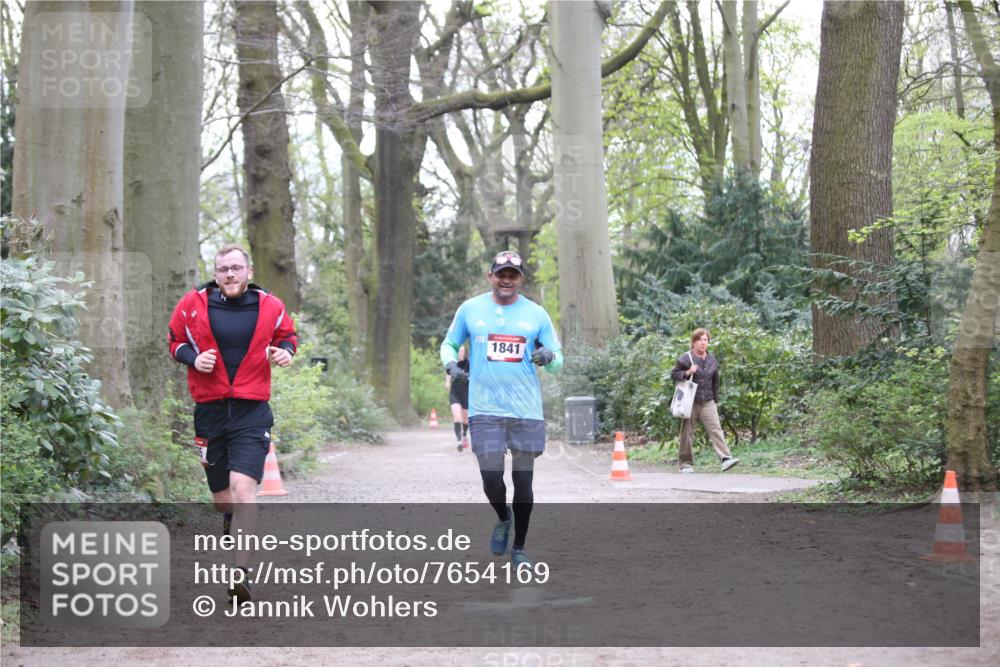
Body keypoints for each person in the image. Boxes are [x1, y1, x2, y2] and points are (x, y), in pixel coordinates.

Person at [167, 244, 297, 601]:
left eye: (236, 268)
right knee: (222, 499)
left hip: (251, 411)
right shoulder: (193, 304)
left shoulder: (270, 305)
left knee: (243, 490)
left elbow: (287, 335)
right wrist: (194, 359)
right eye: (223, 269)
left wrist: (285, 352)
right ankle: (228, 517)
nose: (230, 274)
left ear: (248, 272)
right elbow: (175, 341)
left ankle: (240, 574)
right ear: (215, 273)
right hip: (209, 411)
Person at [441, 250, 562, 568]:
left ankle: (519, 548)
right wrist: (450, 364)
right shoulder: (470, 309)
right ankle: (503, 516)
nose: (506, 280)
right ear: (490, 276)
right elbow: (449, 344)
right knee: (491, 477)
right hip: (485, 409)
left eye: (513, 275)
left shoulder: (536, 314)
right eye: (501, 274)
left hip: (525, 411)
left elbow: (557, 358)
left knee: (524, 482)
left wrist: (549, 357)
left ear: (520, 279)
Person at [670, 327, 739, 474]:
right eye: (700, 340)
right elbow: (674, 374)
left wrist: (715, 399)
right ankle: (685, 465)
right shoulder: (685, 358)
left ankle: (725, 459)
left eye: (705, 340)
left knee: (716, 429)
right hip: (690, 401)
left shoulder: (711, 358)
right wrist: (688, 372)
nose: (703, 342)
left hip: (708, 401)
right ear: (694, 342)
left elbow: (716, 380)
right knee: (687, 433)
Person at [445, 344, 470, 451]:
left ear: (465, 352)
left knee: (465, 420)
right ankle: (459, 440)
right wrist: (447, 382)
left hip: (465, 394)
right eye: (459, 350)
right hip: (454, 393)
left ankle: (464, 435)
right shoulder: (453, 362)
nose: (460, 352)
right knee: (457, 417)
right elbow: (448, 372)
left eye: (462, 350)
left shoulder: (468, 363)